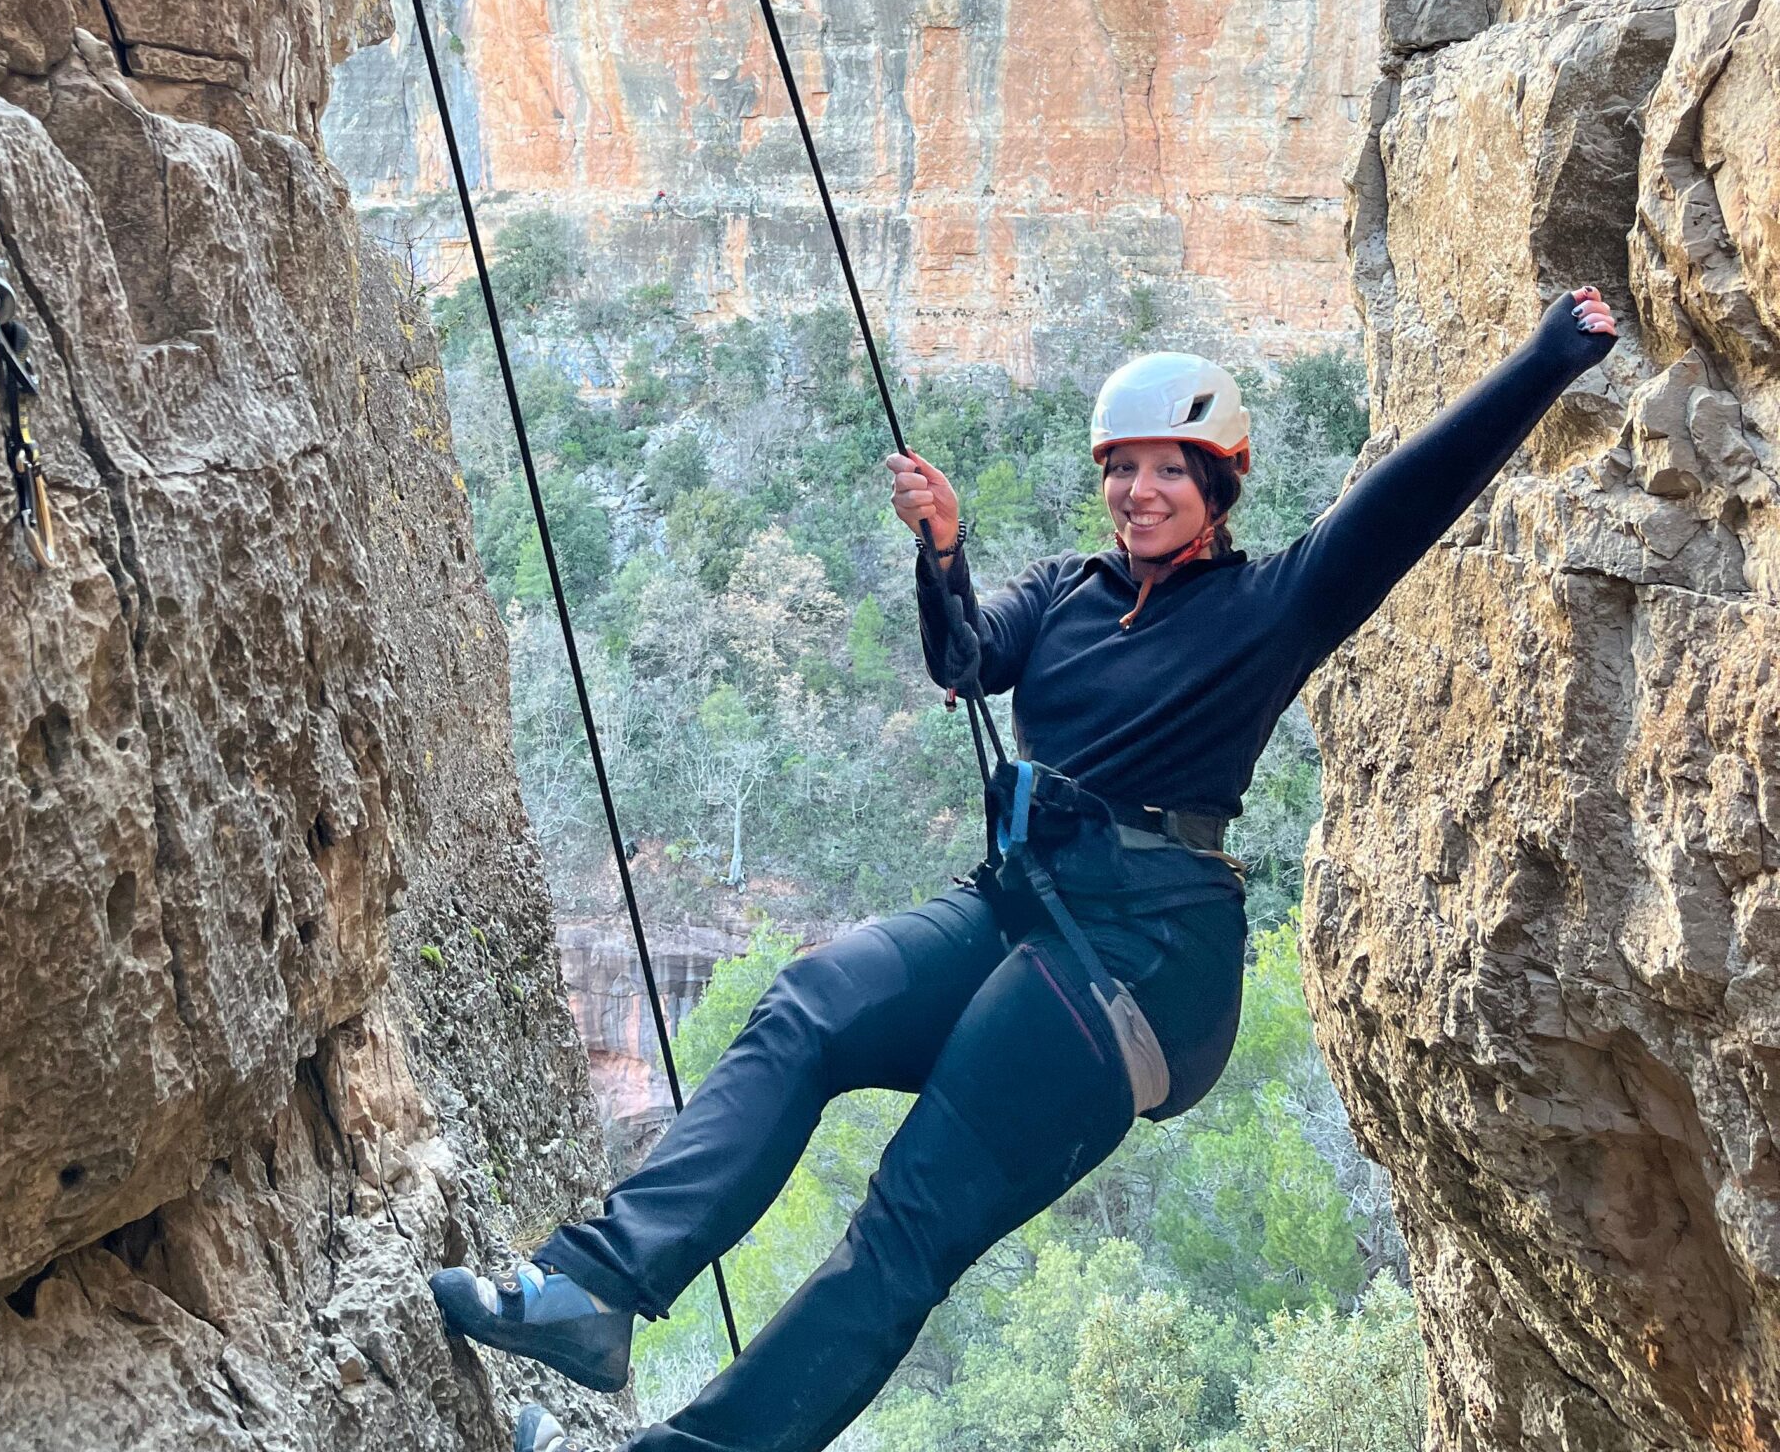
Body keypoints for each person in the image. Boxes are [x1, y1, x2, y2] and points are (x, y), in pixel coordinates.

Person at [432, 286, 1620, 1452]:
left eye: (1169, 467)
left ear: (1218, 481)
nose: (1138, 492)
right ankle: (596, 1292)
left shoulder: (1272, 605)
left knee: (910, 1214)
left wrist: (1546, 358)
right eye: (1122, 468)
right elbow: (964, 660)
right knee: (809, 1006)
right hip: (1019, 904)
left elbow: (1406, 501)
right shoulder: (1067, 589)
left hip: (1138, 960)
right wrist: (942, 548)